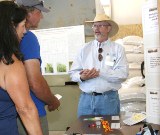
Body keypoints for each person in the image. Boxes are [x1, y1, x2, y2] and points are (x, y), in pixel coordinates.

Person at [69, 14, 129, 117]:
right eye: (95, 25)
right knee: (85, 130)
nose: (96, 28)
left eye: (100, 25)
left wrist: (100, 73)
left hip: (108, 100)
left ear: (108, 28)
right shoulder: (84, 49)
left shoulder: (118, 49)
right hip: (86, 100)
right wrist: (82, 77)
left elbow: (123, 74)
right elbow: (72, 74)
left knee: (109, 131)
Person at [15, 0, 60, 134]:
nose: (41, 16)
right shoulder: (28, 37)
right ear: (28, 13)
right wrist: (53, 101)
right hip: (30, 112)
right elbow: (35, 83)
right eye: (39, 12)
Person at [0, 1, 43, 135]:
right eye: (23, 25)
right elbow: (26, 109)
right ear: (11, 26)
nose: (24, 31)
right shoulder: (9, 62)